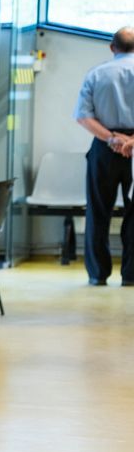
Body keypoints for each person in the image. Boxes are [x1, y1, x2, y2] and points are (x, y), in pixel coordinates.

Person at [75, 27, 134, 286]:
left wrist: (112, 138)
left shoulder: (97, 74)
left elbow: (83, 116)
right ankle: (131, 275)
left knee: (98, 210)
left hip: (104, 148)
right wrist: (131, 141)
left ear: (112, 47)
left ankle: (97, 274)